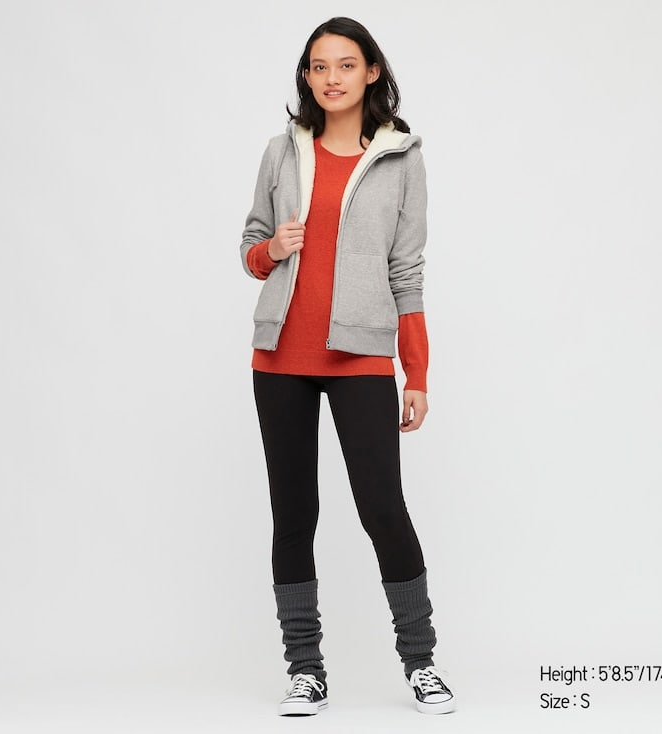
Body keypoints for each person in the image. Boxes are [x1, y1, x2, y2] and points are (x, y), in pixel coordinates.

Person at [239, 16, 455, 716]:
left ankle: (420, 662)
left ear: (371, 72)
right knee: (293, 512)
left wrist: (416, 374)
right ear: (307, 76)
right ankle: (305, 669)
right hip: (280, 356)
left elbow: (407, 271)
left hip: (360, 354)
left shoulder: (400, 157)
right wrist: (273, 248)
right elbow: (250, 247)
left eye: (346, 64)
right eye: (319, 66)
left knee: (382, 509)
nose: (331, 78)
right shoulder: (282, 151)